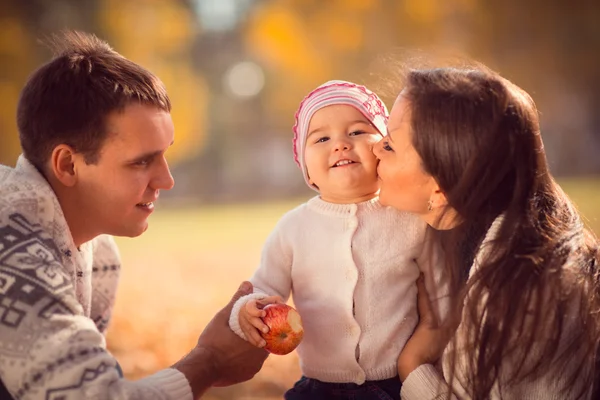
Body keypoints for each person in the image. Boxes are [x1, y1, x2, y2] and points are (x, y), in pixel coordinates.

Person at [0, 30, 267, 400]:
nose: (167, 180)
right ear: (68, 164)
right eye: (141, 162)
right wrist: (210, 362)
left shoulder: (100, 253)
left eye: (164, 154)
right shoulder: (12, 247)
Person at [372, 65, 600, 399]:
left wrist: (413, 366)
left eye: (390, 145)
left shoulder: (513, 291)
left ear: (440, 190)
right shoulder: (499, 220)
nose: (375, 147)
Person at [228, 80, 445, 400]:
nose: (341, 144)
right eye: (322, 138)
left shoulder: (410, 220)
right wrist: (246, 312)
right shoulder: (293, 228)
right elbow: (263, 290)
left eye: (357, 132)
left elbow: (444, 291)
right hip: (319, 388)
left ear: (385, 148)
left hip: (396, 385)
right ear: (308, 171)